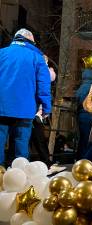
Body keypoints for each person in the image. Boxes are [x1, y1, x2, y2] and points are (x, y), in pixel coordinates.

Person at [0, 28, 51, 166]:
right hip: (25, 110)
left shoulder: (2, 53)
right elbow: (43, 85)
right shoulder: (37, 58)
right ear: (30, 42)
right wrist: (46, 107)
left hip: (1, 107)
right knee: (21, 147)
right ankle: (19, 178)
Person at [75, 68, 92, 159]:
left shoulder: (82, 86)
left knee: (83, 139)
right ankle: (86, 159)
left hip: (81, 115)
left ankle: (80, 158)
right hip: (90, 115)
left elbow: (77, 99)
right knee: (89, 139)